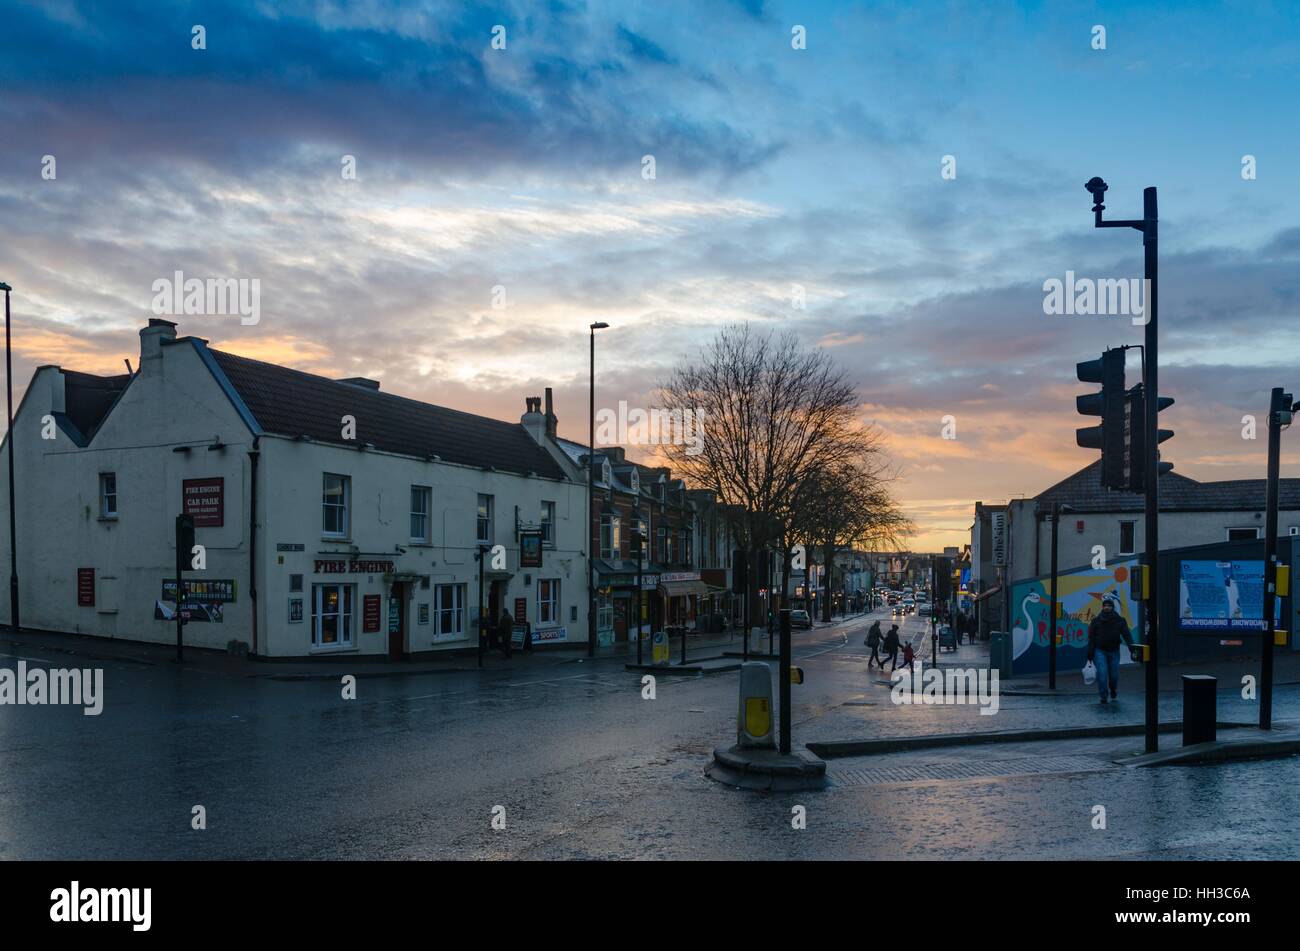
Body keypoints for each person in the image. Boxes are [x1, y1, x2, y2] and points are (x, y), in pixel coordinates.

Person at [1087, 598, 1135, 704]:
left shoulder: (1120, 620)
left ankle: (1113, 689)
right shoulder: (1096, 621)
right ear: (1102, 607)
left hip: (1114, 651)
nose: (1107, 607)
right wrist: (1090, 653)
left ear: (1113, 607)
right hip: (1100, 651)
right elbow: (1092, 638)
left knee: (1114, 675)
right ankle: (1103, 695)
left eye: (1109, 605)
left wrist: (1132, 648)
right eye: (1105, 605)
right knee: (1102, 674)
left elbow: (1126, 635)